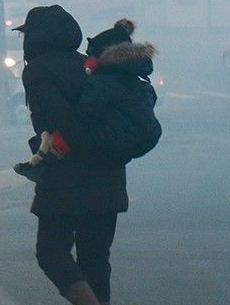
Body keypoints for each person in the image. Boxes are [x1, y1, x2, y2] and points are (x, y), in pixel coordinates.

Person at [14, 5, 127, 305]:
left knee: (51, 252)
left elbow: (57, 121)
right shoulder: (89, 64)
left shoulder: (38, 71)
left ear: (35, 37)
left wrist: (48, 149)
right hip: (108, 172)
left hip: (66, 175)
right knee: (95, 257)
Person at [13, 18, 160, 184]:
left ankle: (40, 163)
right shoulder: (139, 83)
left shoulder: (98, 82)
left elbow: (84, 117)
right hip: (135, 147)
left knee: (61, 140)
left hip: (86, 166)